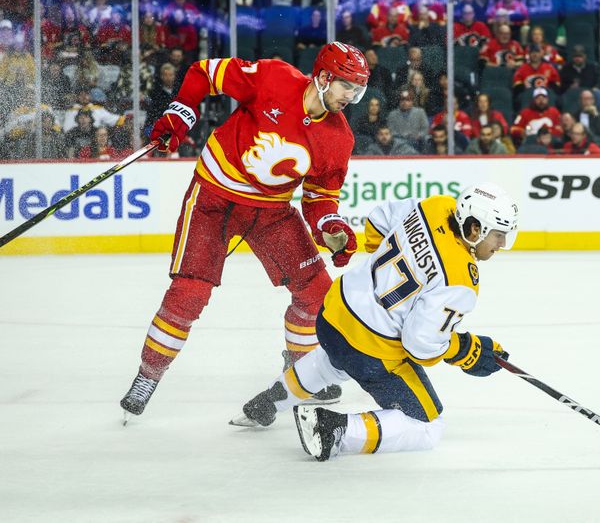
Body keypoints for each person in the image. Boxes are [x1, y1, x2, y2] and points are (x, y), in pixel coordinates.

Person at [119, 42, 371, 420]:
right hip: (215, 198)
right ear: (322, 77)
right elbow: (204, 73)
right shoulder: (273, 77)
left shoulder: (339, 138)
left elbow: (320, 199)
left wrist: (329, 225)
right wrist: (180, 113)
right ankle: (148, 375)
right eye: (347, 86)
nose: (352, 97)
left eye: (357, 89)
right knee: (190, 292)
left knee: (317, 293)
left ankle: (299, 373)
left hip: (271, 211)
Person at [231, 183, 518, 462]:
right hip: (369, 350)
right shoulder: (461, 280)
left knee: (331, 361)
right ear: (474, 228)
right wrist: (469, 351)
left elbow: (379, 219)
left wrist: (381, 276)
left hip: (333, 315)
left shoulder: (436, 206)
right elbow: (421, 345)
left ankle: (267, 402)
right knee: (428, 426)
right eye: (498, 235)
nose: (502, 244)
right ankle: (336, 430)